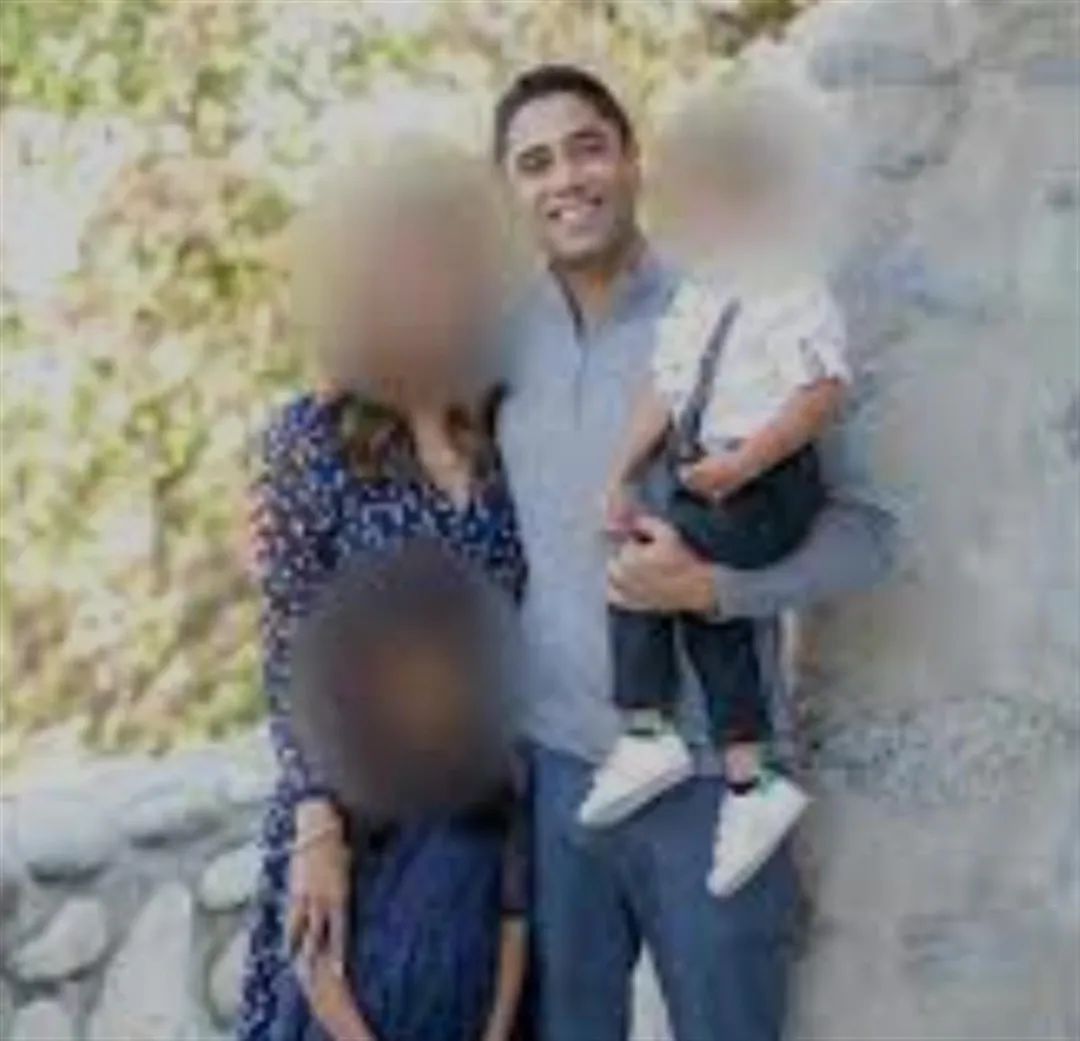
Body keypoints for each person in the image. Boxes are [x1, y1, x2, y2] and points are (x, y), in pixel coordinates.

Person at [493, 64, 895, 1041]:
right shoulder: (500, 341)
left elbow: (868, 533)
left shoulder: (738, 304)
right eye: (534, 163)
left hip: (715, 783)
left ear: (633, 162)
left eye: (587, 148)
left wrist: (715, 588)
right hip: (556, 780)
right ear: (508, 192)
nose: (565, 179)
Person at [237, 141, 528, 1041]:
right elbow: (289, 645)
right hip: (356, 816)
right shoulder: (308, 440)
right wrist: (316, 823)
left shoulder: (510, 430)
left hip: (485, 824)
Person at [579, 79, 852, 899]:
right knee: (696, 597)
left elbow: (822, 392)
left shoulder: (791, 283)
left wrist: (741, 466)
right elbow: (667, 390)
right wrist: (620, 472)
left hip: (771, 480)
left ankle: (648, 730)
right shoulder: (701, 293)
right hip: (713, 475)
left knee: (647, 571)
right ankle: (749, 780)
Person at [272, 544, 528, 1041]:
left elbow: (514, 919)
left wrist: (496, 1033)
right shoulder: (352, 777)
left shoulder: (493, 777)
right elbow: (313, 953)